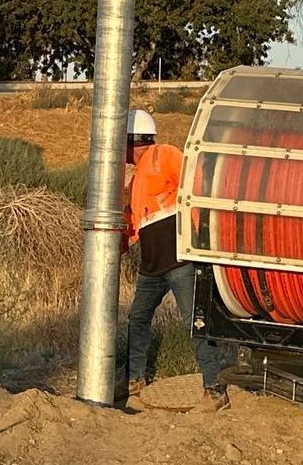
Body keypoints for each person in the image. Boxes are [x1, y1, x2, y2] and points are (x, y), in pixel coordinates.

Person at [123, 108, 233, 411]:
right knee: (138, 319)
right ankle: (134, 380)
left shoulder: (165, 155)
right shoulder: (134, 183)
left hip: (180, 261)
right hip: (151, 268)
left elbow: (195, 187)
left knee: (193, 322)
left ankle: (214, 390)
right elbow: (133, 226)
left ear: (134, 140)